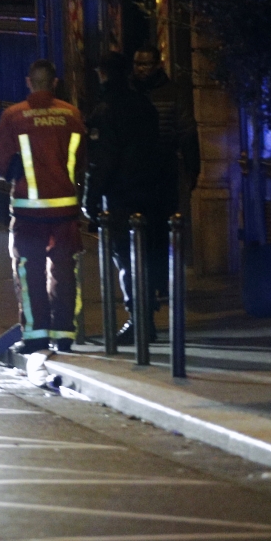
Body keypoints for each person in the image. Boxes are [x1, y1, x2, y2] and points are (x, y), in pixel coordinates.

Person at [0, 59, 85, 359]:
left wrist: (13, 173)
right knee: (65, 271)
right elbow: (82, 160)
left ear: (29, 82)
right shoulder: (71, 114)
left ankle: (35, 336)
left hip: (29, 210)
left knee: (30, 272)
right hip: (65, 208)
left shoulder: (14, 116)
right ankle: (65, 334)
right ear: (54, 83)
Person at [87, 51, 170, 340]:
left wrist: (91, 199)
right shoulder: (143, 105)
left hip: (122, 195)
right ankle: (146, 316)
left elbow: (102, 160)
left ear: (103, 73)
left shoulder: (106, 109)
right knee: (145, 256)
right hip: (150, 192)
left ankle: (139, 320)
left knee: (126, 259)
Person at [133, 45, 198, 233]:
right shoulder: (129, 92)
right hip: (135, 171)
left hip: (164, 168)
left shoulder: (173, 93)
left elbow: (187, 131)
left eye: (146, 64)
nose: (141, 69)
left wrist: (191, 167)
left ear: (158, 65)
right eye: (137, 64)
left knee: (162, 223)